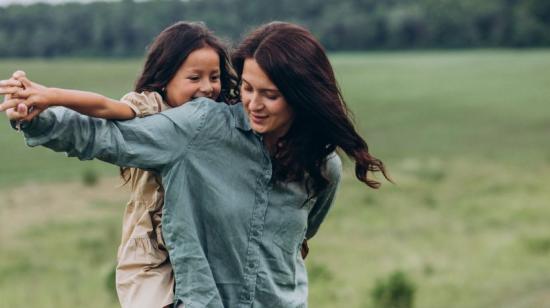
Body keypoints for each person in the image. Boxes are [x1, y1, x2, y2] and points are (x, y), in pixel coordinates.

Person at [1, 22, 389, 307]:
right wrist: (36, 117)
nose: (252, 103)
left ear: (302, 97)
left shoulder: (323, 169)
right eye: (249, 88)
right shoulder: (201, 127)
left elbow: (300, 241)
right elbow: (108, 137)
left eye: (269, 95)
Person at [1, 21, 238, 308]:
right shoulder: (151, 106)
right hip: (152, 252)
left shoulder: (220, 119)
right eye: (194, 78)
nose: (207, 87)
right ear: (165, 77)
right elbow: (104, 108)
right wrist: (50, 98)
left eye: (214, 77)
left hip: (201, 248)